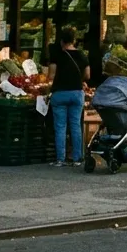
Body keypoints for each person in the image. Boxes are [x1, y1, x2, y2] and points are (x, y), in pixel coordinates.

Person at [45, 28, 89, 167]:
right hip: (76, 93)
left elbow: (51, 75)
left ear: (61, 41)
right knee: (76, 125)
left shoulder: (57, 55)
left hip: (60, 94)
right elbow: (87, 75)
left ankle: (60, 159)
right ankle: (77, 158)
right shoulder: (82, 55)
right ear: (74, 40)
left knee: (60, 127)